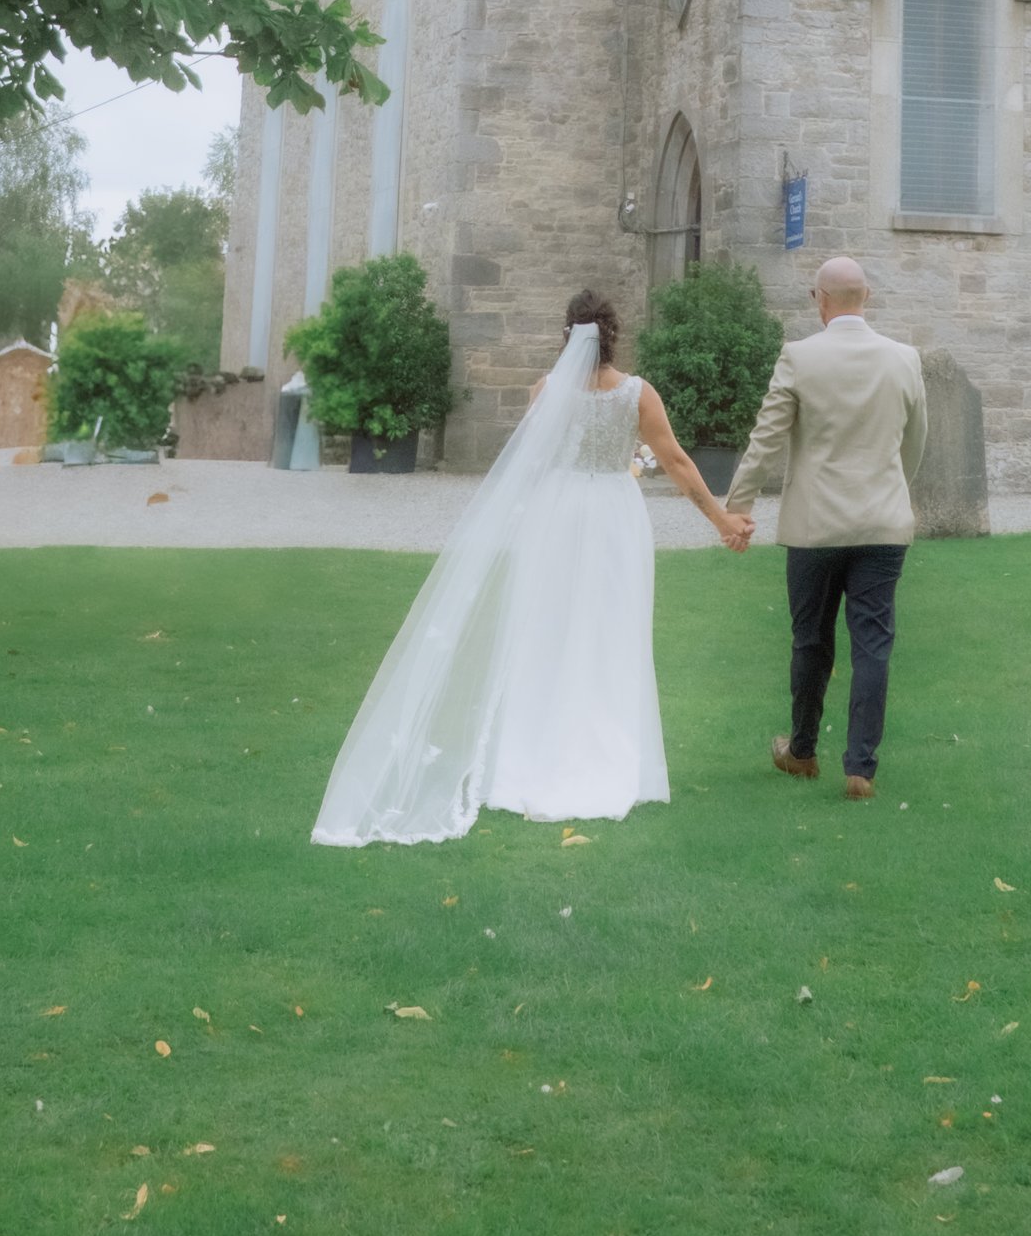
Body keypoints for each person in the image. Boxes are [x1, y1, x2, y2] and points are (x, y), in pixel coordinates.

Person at [312, 287, 745, 847]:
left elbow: (531, 464)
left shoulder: (546, 391)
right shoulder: (638, 394)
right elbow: (678, 462)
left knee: (546, 630)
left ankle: (529, 754)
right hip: (612, 513)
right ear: (613, 336)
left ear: (567, 336)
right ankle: (604, 757)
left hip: (556, 515)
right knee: (609, 632)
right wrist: (721, 520)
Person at [722, 256, 926, 801]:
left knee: (811, 639)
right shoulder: (905, 359)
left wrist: (736, 507)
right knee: (873, 644)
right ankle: (860, 766)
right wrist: (890, 489)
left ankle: (803, 752)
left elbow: (766, 439)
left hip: (814, 525)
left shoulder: (799, 357)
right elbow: (915, 442)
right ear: (868, 298)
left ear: (821, 300)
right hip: (883, 522)